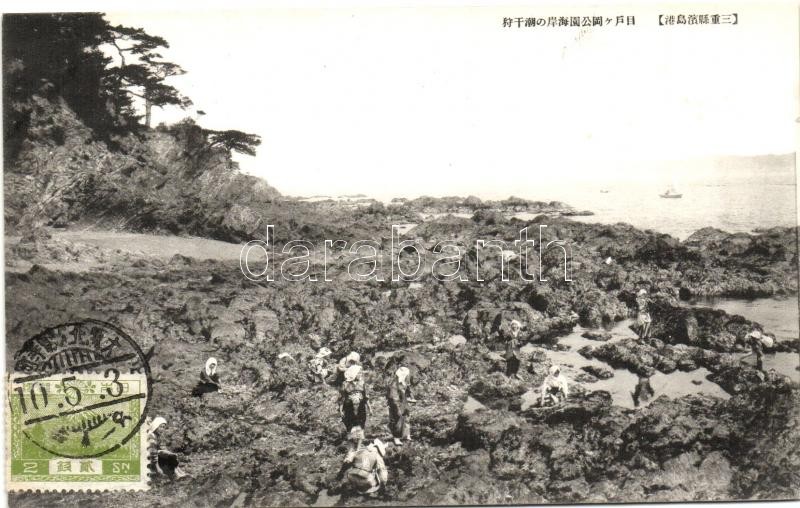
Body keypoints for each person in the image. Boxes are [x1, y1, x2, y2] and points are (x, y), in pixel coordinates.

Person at [387, 366, 415, 446]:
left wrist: (410, 397)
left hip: (403, 402)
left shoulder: (404, 383)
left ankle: (406, 435)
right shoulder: (394, 384)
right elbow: (393, 397)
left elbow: (407, 391)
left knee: (406, 417)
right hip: (396, 404)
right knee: (397, 420)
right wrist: (397, 408)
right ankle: (396, 438)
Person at [340, 364, 370, 434]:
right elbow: (342, 398)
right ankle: (352, 439)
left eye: (360, 373)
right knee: (350, 424)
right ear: (354, 373)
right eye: (359, 373)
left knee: (361, 423)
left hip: (360, 407)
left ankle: (359, 442)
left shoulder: (362, 383)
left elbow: (366, 396)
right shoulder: (345, 384)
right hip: (349, 408)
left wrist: (369, 407)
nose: (360, 374)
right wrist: (341, 410)